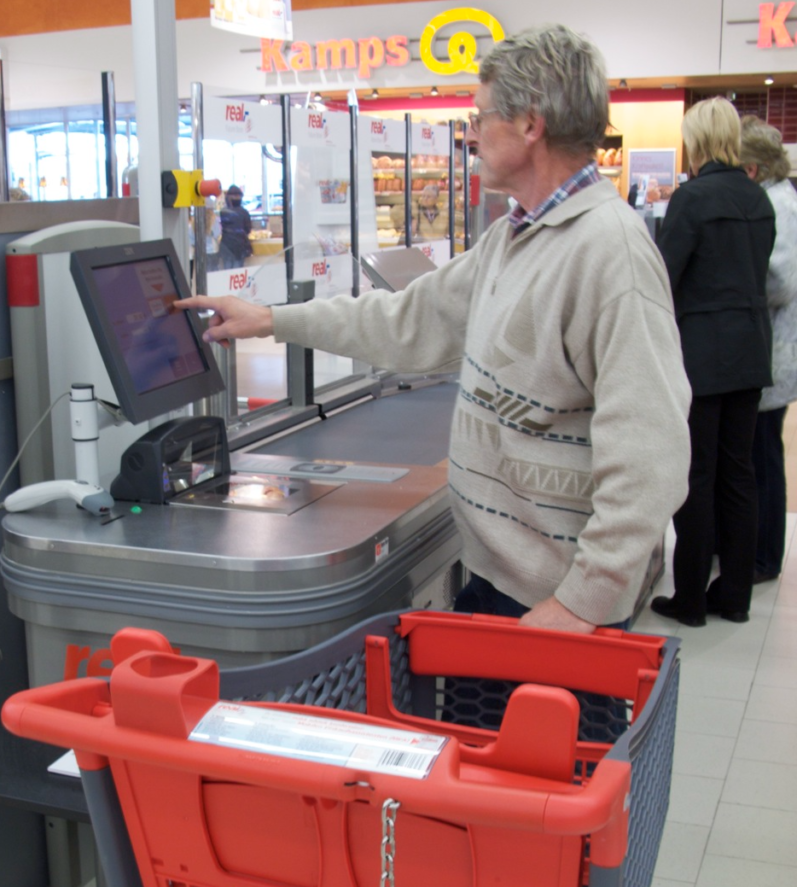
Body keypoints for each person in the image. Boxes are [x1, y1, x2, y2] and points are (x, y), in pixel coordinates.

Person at [178, 24, 692, 634]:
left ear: (530, 125)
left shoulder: (610, 251)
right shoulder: (515, 237)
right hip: (501, 582)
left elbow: (652, 453)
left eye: (481, 117)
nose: (470, 133)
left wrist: (583, 602)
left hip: (556, 613)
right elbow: (409, 319)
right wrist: (270, 319)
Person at [651, 98, 775, 626]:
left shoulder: (691, 199)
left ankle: (691, 599)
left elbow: (664, 279)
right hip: (750, 349)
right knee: (738, 474)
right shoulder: (758, 199)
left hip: (700, 354)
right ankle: (736, 597)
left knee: (695, 475)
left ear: (695, 140)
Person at [740, 116, 797, 584]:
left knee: (763, 458)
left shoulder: (778, 207)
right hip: (768, 348)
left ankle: (764, 556)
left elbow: (780, 281)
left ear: (753, 169)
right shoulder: (776, 201)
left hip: (772, 349)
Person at [218, 184, 252, 269]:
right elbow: (248, 229)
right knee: (238, 274)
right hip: (240, 246)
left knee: (227, 273)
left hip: (226, 246)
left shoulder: (223, 212)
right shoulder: (244, 212)